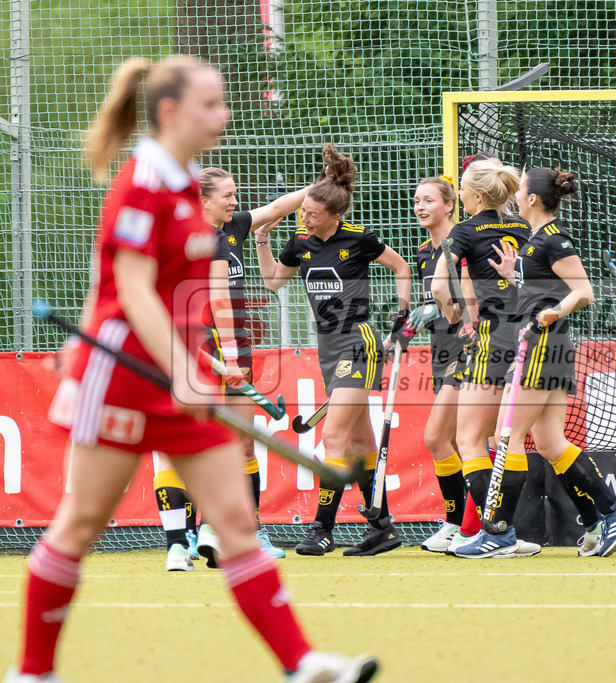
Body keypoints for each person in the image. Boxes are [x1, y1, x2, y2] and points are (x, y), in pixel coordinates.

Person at [7, 56, 377, 682]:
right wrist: (187, 372)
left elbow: (195, 293)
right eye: (212, 104)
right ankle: (32, 672)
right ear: (172, 111)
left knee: (234, 520)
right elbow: (134, 290)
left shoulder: (184, 186)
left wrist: (210, 369)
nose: (224, 115)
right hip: (124, 377)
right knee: (80, 524)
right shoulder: (141, 184)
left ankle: (303, 664)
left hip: (181, 374)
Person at [255, 143, 412, 557]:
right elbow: (273, 281)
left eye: (310, 211)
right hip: (328, 347)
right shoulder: (300, 243)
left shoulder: (359, 240)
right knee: (360, 444)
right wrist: (263, 241)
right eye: (302, 208)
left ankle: (321, 530)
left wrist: (402, 318)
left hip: (359, 341)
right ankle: (382, 528)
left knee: (333, 437)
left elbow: (401, 267)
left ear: (334, 215)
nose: (302, 215)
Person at [480, 166, 616, 559]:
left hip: (542, 344)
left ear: (532, 199)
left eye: (520, 190)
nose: (515, 195)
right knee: (551, 442)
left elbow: (583, 291)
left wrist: (552, 312)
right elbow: (542, 289)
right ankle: (609, 511)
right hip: (547, 346)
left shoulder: (553, 238)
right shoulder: (535, 240)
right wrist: (513, 276)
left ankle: (499, 533)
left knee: (507, 437)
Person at [155, 168, 309, 569]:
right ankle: (182, 541)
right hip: (196, 354)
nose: (235, 202)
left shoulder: (233, 229)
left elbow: (277, 207)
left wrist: (325, 186)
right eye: (227, 195)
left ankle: (231, 532)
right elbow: (211, 302)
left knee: (238, 444)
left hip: (234, 351)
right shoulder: (191, 239)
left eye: (236, 195)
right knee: (183, 446)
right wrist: (222, 359)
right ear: (204, 200)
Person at [430, 161, 539, 557]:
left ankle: (499, 535)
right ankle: (506, 532)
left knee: (470, 438)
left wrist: (457, 316)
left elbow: (441, 285)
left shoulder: (463, 231)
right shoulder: (524, 228)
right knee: (507, 439)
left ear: (476, 196)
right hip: (532, 337)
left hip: (492, 339)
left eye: (461, 189)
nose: (458, 194)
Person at [402, 175, 471, 552]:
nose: (421, 207)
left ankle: (456, 523)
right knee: (460, 444)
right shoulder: (425, 250)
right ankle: (466, 524)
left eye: (429, 200)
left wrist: (441, 307)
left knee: (438, 438)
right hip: (440, 350)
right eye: (417, 200)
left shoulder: (462, 244)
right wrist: (410, 324)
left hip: (467, 349)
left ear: (449, 205)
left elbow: (468, 306)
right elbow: (435, 307)